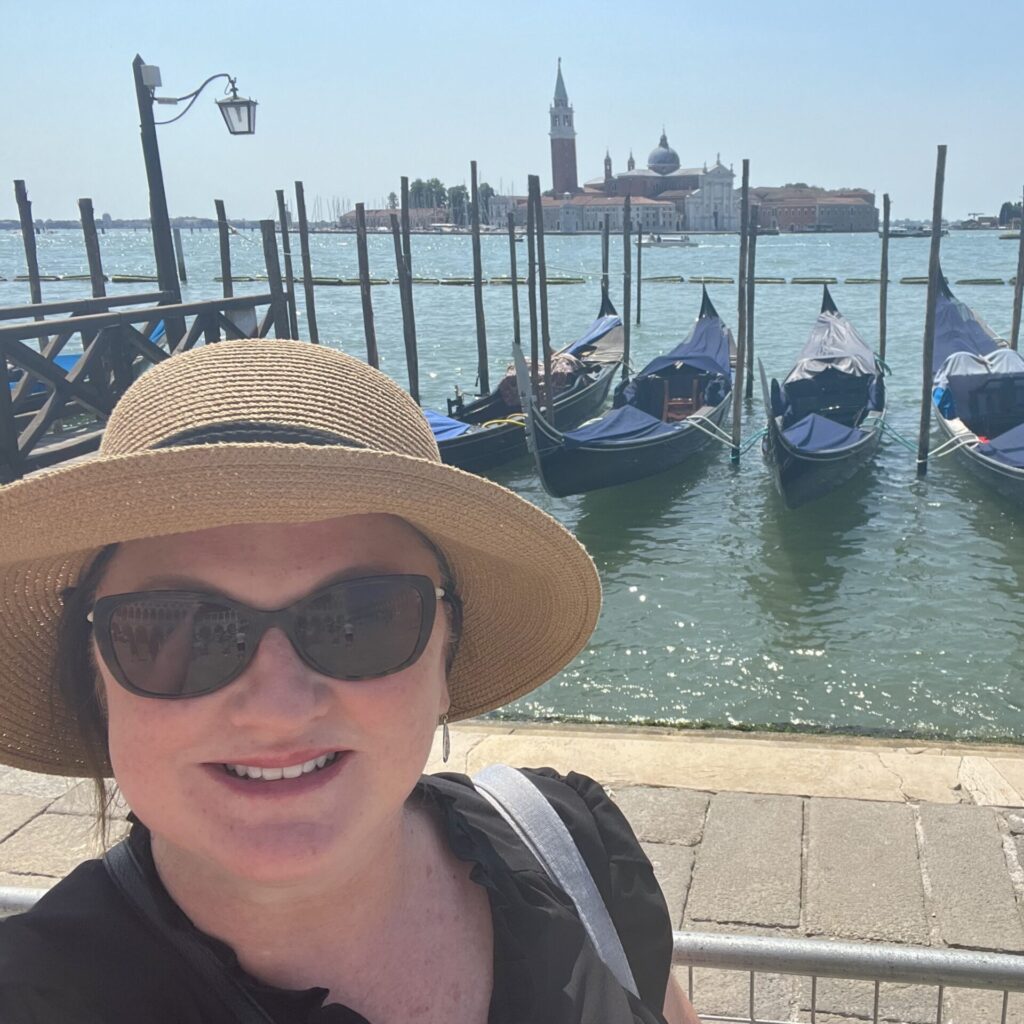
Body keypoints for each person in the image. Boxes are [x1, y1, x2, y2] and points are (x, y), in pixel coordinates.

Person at [0, 339, 700, 1024]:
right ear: (94, 673)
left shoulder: (571, 845)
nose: (277, 709)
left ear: (444, 657)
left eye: (362, 620)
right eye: (174, 628)